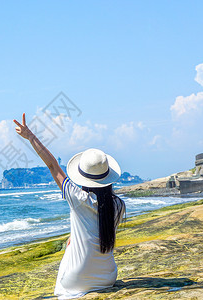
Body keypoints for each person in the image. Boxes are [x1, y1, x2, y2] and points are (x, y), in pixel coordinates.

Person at [14, 113, 126, 299]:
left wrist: (30, 137)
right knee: (72, 240)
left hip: (77, 281)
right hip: (108, 277)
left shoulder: (79, 198)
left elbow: (52, 166)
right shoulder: (118, 205)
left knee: (69, 248)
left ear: (83, 177)